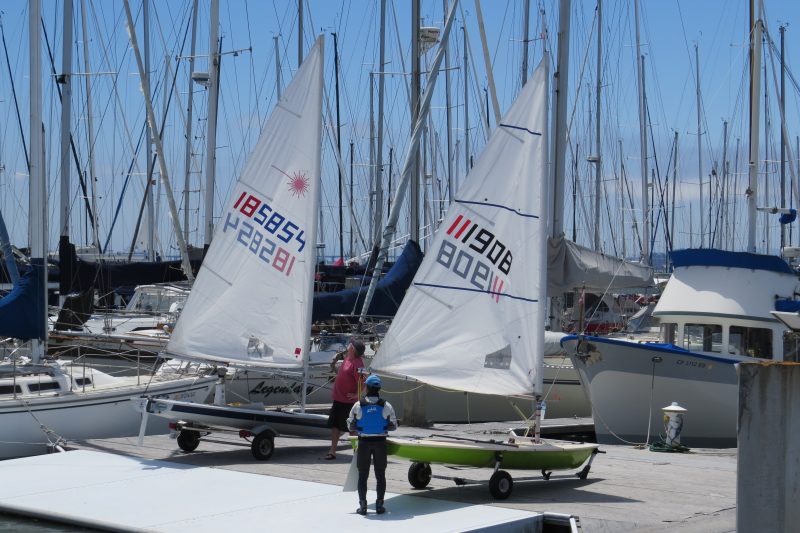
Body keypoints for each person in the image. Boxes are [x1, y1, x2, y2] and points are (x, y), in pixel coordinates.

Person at [347, 374, 397, 516]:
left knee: (363, 475)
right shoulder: (386, 405)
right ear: (379, 388)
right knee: (380, 475)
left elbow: (350, 425)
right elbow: (394, 426)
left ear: (367, 388)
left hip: (364, 443)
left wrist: (360, 427)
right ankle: (380, 506)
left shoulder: (358, 405)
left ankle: (363, 507)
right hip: (380, 442)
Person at [325, 339, 366, 460]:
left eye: (350, 344)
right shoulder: (348, 357)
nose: (348, 345)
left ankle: (357, 453)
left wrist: (356, 394)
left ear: (353, 348)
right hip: (338, 399)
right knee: (335, 426)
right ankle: (332, 451)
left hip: (349, 403)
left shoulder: (358, 363)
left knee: (352, 429)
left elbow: (364, 380)